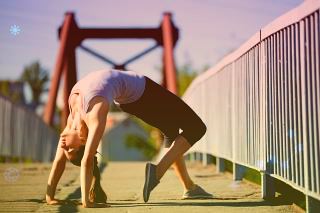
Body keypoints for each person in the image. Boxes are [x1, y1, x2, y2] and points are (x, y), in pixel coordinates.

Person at [46, 69, 212, 208]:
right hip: (142, 91)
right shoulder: (95, 114)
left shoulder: (72, 119)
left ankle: (189, 187)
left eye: (66, 149)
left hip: (128, 100)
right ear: (84, 141)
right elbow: (87, 161)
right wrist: (86, 201)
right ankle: (157, 172)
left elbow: (60, 161)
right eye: (70, 150)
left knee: (171, 132)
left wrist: (50, 196)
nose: (64, 146)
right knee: (196, 127)